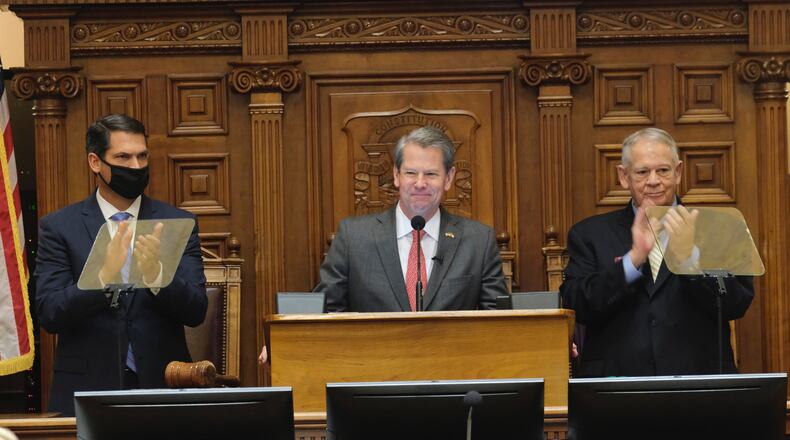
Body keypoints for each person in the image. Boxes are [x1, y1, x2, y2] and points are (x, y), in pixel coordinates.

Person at [258, 126, 507, 363]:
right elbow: (325, 309)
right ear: (396, 176)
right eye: (410, 172)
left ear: (449, 178)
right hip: (371, 381)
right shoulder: (353, 236)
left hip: (454, 380)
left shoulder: (478, 241)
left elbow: (501, 323)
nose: (420, 183)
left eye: (431, 174)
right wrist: (286, 339)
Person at [35, 114, 207, 415]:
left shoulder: (178, 223)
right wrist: (102, 275)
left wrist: (157, 275)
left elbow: (196, 310)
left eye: (142, 156)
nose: (136, 166)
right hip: (87, 389)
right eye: (123, 157)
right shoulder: (59, 227)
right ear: (95, 162)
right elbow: (49, 313)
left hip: (164, 386)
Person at [560, 127, 753, 377]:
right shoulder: (589, 234)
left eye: (663, 170)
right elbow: (577, 305)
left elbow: (736, 304)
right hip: (616, 389)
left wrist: (688, 260)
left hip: (699, 385)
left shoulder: (720, 229)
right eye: (642, 172)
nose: (653, 180)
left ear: (678, 172)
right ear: (624, 176)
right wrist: (633, 260)